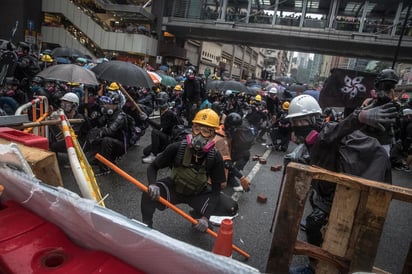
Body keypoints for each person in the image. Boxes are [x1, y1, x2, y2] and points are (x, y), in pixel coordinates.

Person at [286, 95, 398, 274]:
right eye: (295, 123)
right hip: (327, 188)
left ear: (314, 119)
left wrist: (359, 117)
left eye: (301, 122)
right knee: (319, 218)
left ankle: (316, 267)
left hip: (344, 190)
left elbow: (339, 129)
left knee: (319, 225)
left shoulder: (325, 132)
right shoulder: (313, 138)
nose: (298, 127)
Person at [140, 108, 239, 230]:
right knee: (147, 193)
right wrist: (152, 184)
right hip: (175, 187)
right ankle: (146, 225)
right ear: (192, 128)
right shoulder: (177, 147)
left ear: (213, 134)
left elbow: (215, 191)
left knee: (230, 207)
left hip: (197, 193)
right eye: (197, 129)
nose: (199, 135)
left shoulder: (215, 156)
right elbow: (153, 166)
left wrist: (206, 217)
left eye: (206, 131)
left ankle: (198, 214)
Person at [86, 92, 129, 176]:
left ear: (115, 104)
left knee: (106, 140)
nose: (105, 106)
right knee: (93, 134)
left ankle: (105, 168)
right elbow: (98, 124)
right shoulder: (108, 114)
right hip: (112, 141)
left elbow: (111, 131)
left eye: (108, 104)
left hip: (121, 144)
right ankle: (102, 158)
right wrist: (95, 117)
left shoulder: (121, 115)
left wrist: (100, 131)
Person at [142, 92, 181, 164]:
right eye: (158, 101)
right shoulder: (163, 111)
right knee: (146, 151)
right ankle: (160, 152)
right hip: (164, 137)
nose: (159, 103)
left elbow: (161, 128)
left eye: (161, 101)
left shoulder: (169, 113)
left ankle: (154, 155)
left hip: (170, 139)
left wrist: (147, 119)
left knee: (155, 132)